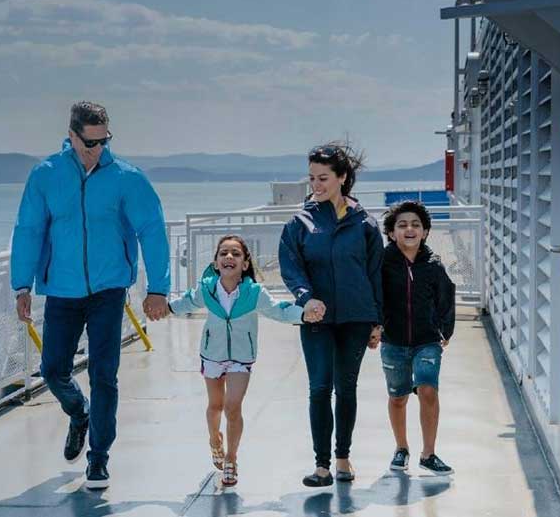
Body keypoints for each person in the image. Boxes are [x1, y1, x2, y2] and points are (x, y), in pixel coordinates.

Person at [10, 101, 170, 489]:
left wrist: (158, 289)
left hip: (108, 291)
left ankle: (98, 458)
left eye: (104, 141)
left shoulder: (127, 178)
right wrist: (22, 285)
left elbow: (152, 229)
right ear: (72, 135)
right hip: (61, 292)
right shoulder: (46, 175)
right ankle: (78, 412)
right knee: (53, 370)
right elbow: (29, 229)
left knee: (104, 375)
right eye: (90, 142)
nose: (97, 149)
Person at [168, 235, 316, 487]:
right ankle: (214, 440)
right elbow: (187, 302)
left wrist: (303, 314)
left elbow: (279, 310)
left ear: (245, 264)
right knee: (215, 406)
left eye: (236, 254)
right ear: (216, 263)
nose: (229, 257)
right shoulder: (207, 289)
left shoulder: (254, 293)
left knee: (232, 407)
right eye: (223, 253)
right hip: (212, 355)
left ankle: (231, 459)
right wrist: (165, 307)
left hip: (241, 358)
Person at [278, 142, 384, 487]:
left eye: (323, 178)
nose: (316, 184)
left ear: (342, 178)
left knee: (346, 388)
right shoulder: (300, 222)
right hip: (316, 319)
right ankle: (321, 466)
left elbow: (375, 274)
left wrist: (378, 321)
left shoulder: (366, 224)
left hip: (356, 317)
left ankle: (343, 458)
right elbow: (291, 267)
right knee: (320, 387)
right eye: (312, 178)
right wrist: (306, 298)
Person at [380, 200, 455, 475]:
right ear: (391, 233)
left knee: (428, 390)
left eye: (415, 225)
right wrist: (374, 326)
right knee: (398, 397)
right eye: (402, 225)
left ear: (425, 232)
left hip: (427, 341)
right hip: (393, 341)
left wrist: (444, 330)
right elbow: (375, 297)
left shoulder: (433, 265)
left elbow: (446, 297)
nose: (409, 229)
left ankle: (428, 454)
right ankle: (401, 448)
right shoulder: (382, 264)